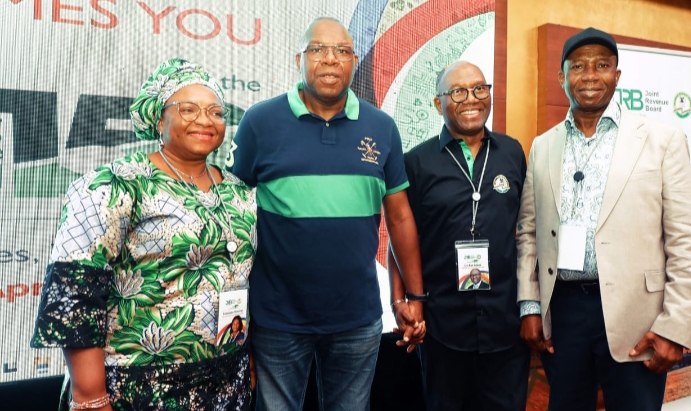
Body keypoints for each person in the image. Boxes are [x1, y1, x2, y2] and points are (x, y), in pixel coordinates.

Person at [30, 58, 257, 411]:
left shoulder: (238, 191)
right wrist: (90, 396)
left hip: (226, 384)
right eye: (189, 109)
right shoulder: (115, 184)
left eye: (216, 112)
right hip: (138, 388)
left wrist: (247, 359)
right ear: (158, 118)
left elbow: (243, 282)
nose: (205, 120)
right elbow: (76, 293)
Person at [226, 17, 425, 411]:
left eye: (342, 51)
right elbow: (230, 213)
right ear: (298, 59)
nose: (330, 59)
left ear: (354, 61)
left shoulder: (382, 127)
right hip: (277, 316)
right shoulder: (260, 123)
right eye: (317, 49)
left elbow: (400, 218)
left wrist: (414, 296)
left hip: (357, 317)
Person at [516, 27, 691, 411]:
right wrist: (530, 305)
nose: (589, 76)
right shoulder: (542, 145)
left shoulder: (662, 140)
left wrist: (675, 327)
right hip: (564, 312)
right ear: (562, 77)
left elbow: (686, 242)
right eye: (578, 66)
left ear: (617, 75)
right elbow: (528, 233)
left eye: (601, 65)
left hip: (637, 316)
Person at [389, 61, 529, 411]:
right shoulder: (416, 163)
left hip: (505, 325)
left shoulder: (512, 153)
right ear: (438, 103)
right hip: (442, 327)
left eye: (480, 88)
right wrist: (399, 301)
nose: (472, 99)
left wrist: (532, 307)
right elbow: (399, 239)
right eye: (458, 91)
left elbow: (528, 232)